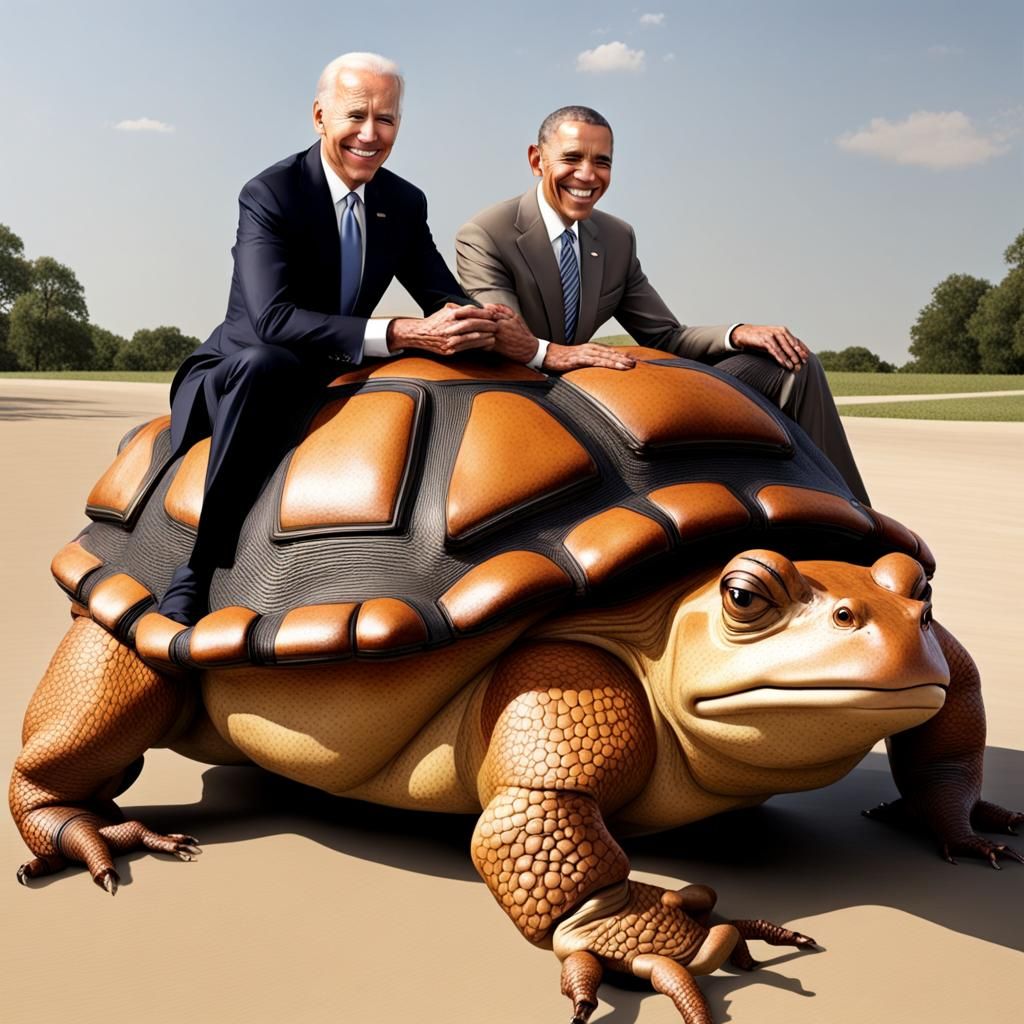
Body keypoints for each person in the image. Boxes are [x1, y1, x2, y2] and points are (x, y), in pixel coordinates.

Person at [159, 52, 498, 625]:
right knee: (265, 364)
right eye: (356, 116)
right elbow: (271, 319)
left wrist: (483, 324)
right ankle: (197, 568)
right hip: (240, 370)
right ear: (319, 117)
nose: (371, 134)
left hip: (334, 368)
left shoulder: (404, 201)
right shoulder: (269, 194)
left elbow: (441, 293)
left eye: (386, 120)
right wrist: (402, 332)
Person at [455, 105, 869, 505]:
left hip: (595, 389)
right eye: (572, 158)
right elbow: (503, 333)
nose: (587, 175)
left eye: (602, 162)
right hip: (519, 403)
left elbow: (664, 336)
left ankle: (857, 521)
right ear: (536, 159)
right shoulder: (486, 233)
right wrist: (563, 354)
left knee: (792, 364)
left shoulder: (616, 237)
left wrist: (737, 334)